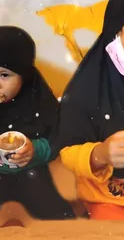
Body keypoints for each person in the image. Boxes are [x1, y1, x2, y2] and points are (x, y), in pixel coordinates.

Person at [54, 0, 124, 220]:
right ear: (117, 26)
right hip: (111, 203)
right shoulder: (88, 87)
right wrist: (101, 154)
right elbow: (67, 151)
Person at [0, 26, 75, 220]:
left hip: (30, 175)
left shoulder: (37, 100)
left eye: (4, 75)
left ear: (24, 76)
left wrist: (36, 150)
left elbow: (61, 136)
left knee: (52, 214)